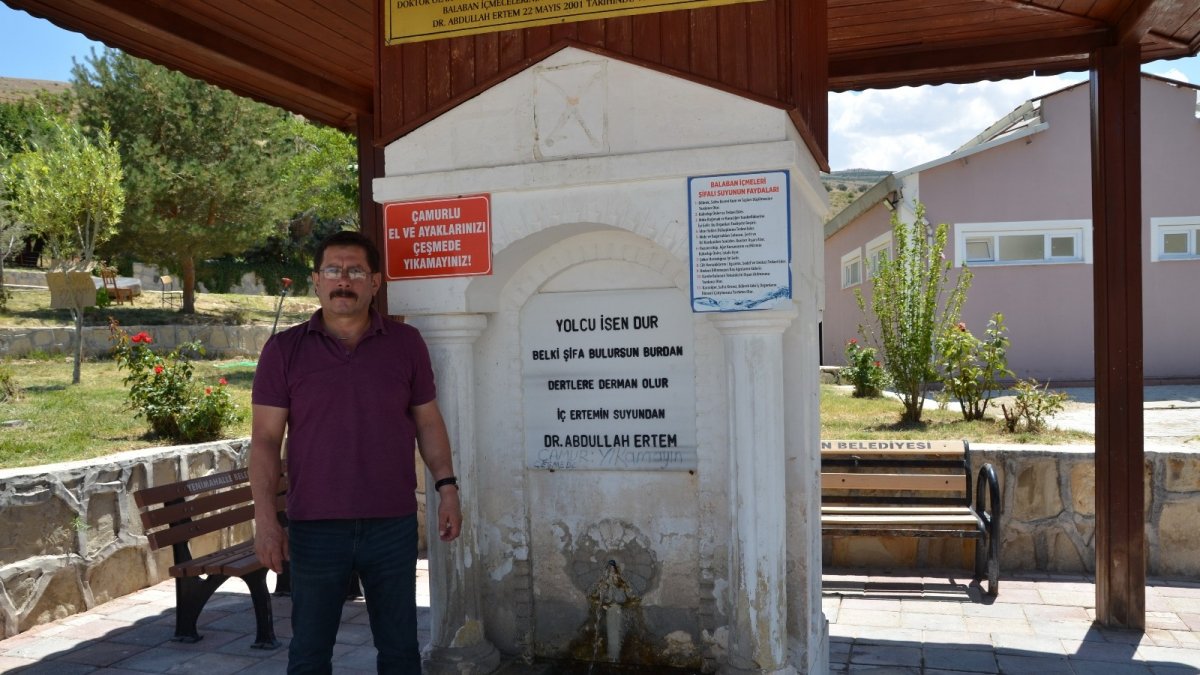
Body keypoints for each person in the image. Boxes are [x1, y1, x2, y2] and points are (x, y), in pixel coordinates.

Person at [250, 230, 462, 674]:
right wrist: (267, 520)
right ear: (315, 280)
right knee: (309, 653)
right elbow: (266, 441)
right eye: (332, 270)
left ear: (375, 282)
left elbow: (427, 420)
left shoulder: (406, 344)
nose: (342, 280)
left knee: (400, 651)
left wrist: (447, 488)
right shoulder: (283, 350)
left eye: (355, 271)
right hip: (315, 527)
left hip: (391, 524)